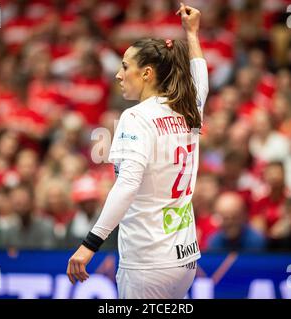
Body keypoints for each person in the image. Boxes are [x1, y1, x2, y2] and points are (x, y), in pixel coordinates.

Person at [66, 3, 209, 299]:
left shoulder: (137, 118)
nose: (118, 75)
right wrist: (192, 34)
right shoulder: (189, 107)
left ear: (146, 74)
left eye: (125, 67)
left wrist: (90, 244)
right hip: (184, 258)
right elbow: (200, 77)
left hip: (147, 262)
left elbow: (128, 185)